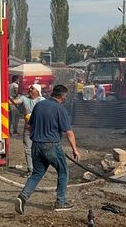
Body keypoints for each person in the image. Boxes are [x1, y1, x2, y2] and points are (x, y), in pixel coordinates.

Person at [15, 85, 80, 214]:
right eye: (65, 96)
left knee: (37, 173)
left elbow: (28, 126)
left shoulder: (39, 105)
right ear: (62, 96)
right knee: (63, 171)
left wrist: (40, 132)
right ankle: (60, 202)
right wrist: (75, 149)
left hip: (36, 145)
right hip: (51, 145)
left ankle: (22, 197)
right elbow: (69, 132)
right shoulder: (60, 109)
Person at [12, 84, 45, 177]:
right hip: (28, 129)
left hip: (38, 129)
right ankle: (31, 170)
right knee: (28, 149)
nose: (29, 89)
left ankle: (39, 168)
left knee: (40, 149)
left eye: (32, 88)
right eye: (30, 87)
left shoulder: (41, 101)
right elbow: (14, 102)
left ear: (37, 91)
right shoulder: (24, 99)